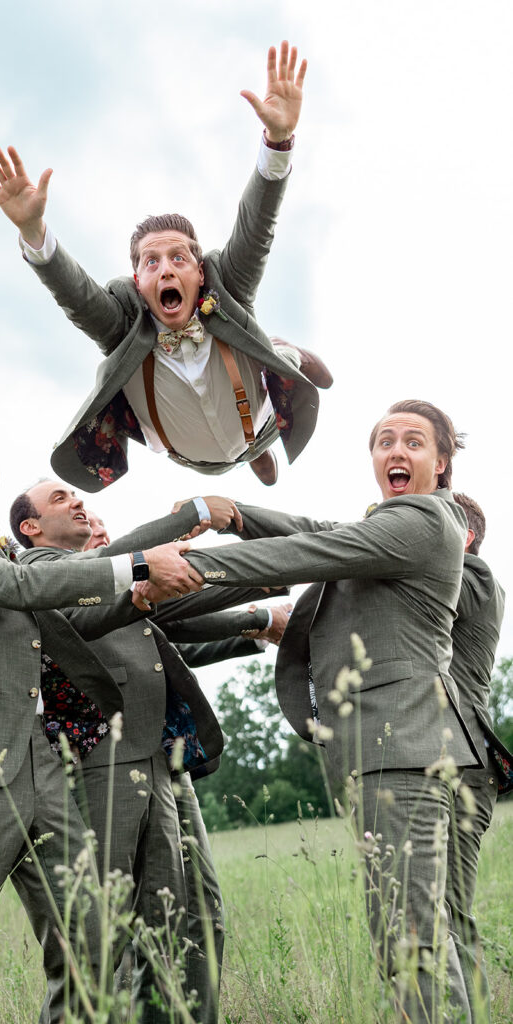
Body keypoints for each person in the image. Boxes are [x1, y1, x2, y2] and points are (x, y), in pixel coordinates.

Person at [144, 399, 482, 1023]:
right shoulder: (387, 527)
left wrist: (184, 566)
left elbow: (310, 554)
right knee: (411, 936)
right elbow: (319, 531)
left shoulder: (425, 521)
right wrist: (238, 514)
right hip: (383, 754)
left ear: (441, 465)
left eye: (413, 441)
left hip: (402, 749)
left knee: (411, 943)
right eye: (384, 441)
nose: (396, 451)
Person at [0, 419, 203, 1024]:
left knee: (94, 939)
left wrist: (138, 595)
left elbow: (58, 619)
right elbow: (22, 582)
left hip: (41, 765)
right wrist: (135, 565)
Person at [0, 41, 331, 489]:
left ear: (200, 272)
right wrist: (34, 232)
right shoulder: (122, 324)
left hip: (257, 421)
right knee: (231, 458)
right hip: (194, 458)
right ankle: (248, 458)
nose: (165, 269)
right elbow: (76, 297)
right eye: (152, 262)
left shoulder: (226, 287)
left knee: (270, 367)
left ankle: (283, 358)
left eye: (178, 258)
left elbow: (256, 228)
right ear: (138, 280)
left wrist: (277, 143)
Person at [9, 479, 290, 1022]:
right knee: (100, 938)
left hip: (158, 760)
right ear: (31, 527)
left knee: (174, 923)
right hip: (99, 764)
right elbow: (130, 579)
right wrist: (192, 516)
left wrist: (256, 621)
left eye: (78, 495)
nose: (80, 503)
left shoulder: (99, 577)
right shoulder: (39, 575)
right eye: (61, 499)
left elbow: (178, 624)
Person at [446, 493, 510, 1022]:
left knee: (451, 911)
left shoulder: (475, 576)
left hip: (462, 763)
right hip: (441, 758)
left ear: (463, 537)